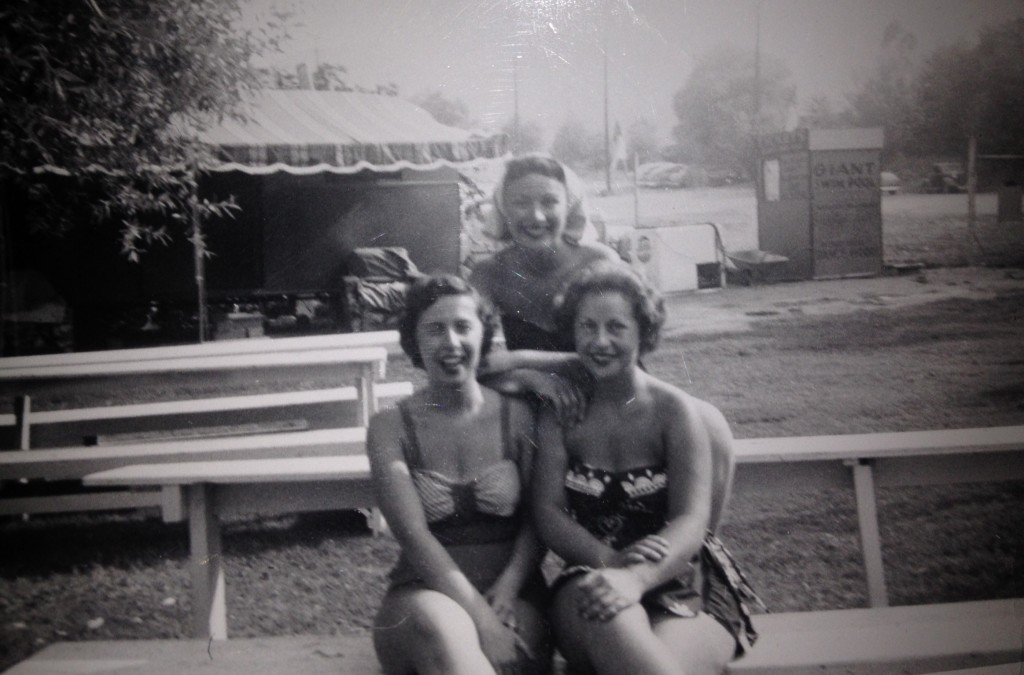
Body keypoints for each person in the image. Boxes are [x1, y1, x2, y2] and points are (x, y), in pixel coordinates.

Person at [532, 263, 764, 675]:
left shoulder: (675, 411)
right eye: (587, 326)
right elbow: (548, 513)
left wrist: (636, 580)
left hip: (681, 577)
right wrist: (610, 563)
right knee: (611, 617)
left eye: (616, 327)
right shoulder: (561, 415)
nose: (599, 341)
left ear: (644, 332)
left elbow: (693, 520)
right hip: (591, 570)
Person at [368, 274, 550, 675]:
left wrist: (510, 585)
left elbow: (541, 519)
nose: (450, 343)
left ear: (483, 335)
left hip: (513, 593)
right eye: (434, 329)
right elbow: (413, 537)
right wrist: (480, 620)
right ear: (414, 341)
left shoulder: (518, 416)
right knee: (445, 633)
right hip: (422, 596)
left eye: (463, 327)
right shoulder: (389, 427)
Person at [469, 153, 621, 353]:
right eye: (521, 203)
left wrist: (522, 360)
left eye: (549, 202)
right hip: (526, 383)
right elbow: (470, 356)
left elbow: (619, 357)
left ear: (568, 206)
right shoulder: (489, 273)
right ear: (504, 209)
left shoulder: (599, 263)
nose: (537, 217)